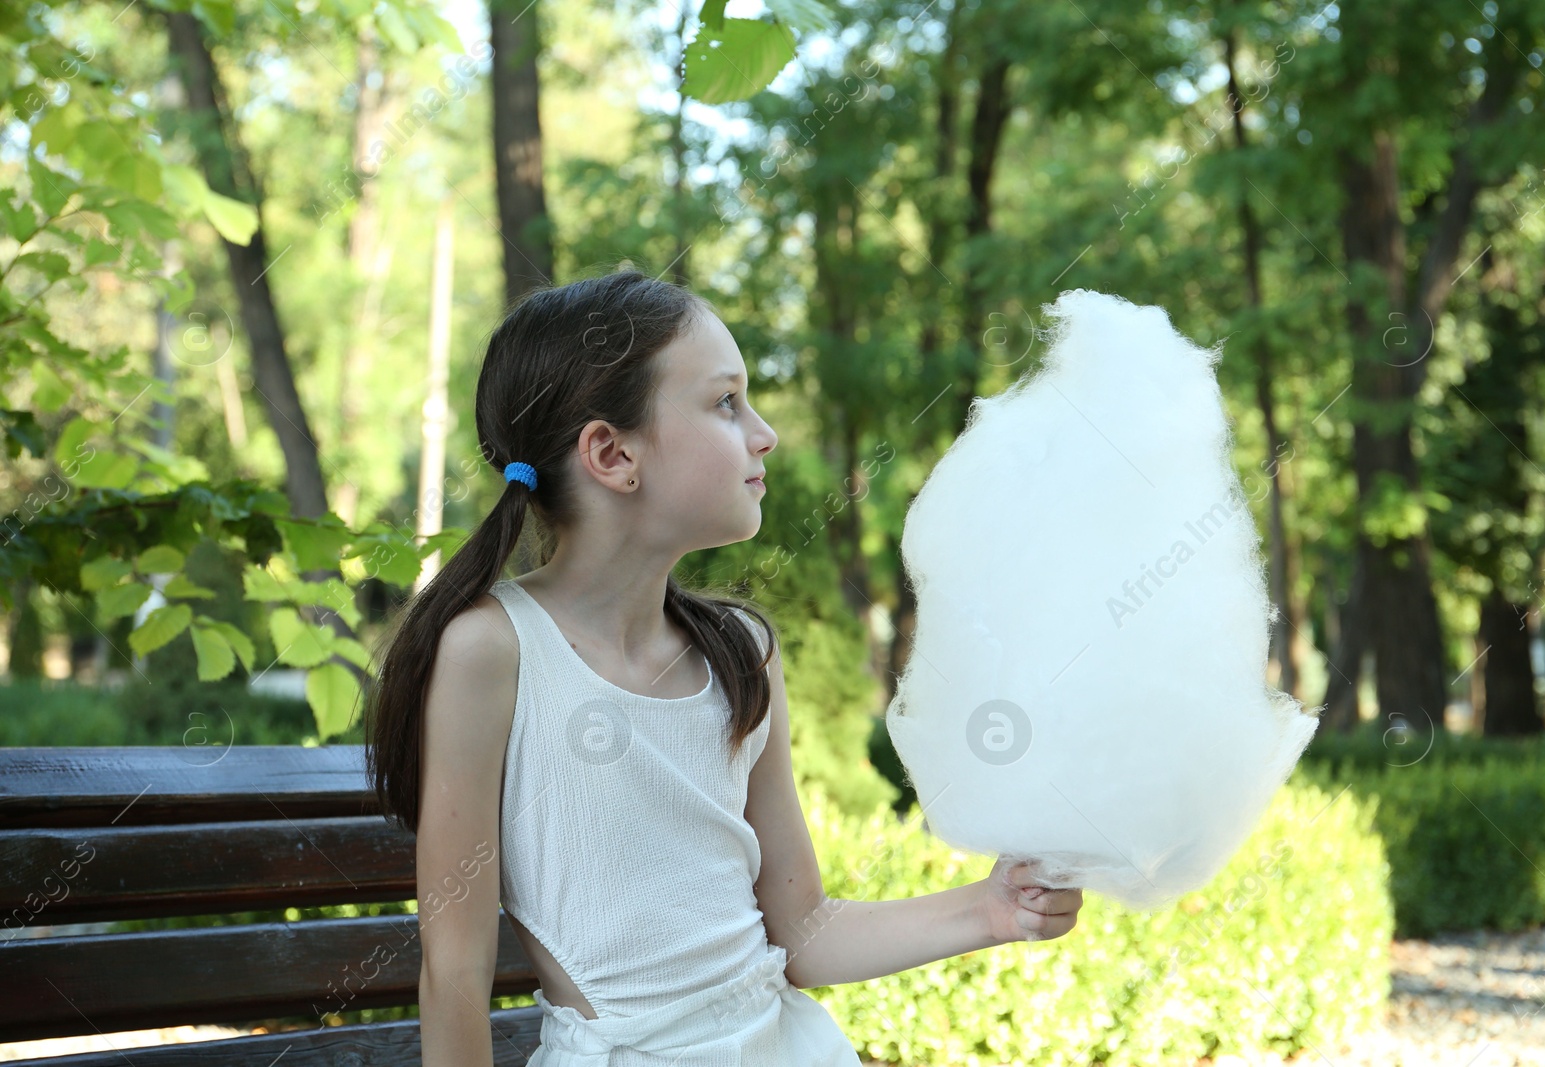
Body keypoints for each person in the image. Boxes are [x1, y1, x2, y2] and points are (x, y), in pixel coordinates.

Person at [365, 266, 1084, 1066]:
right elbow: (454, 973)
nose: (765, 432)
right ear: (612, 452)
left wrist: (991, 910)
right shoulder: (492, 651)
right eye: (725, 402)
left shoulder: (742, 653)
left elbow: (801, 933)